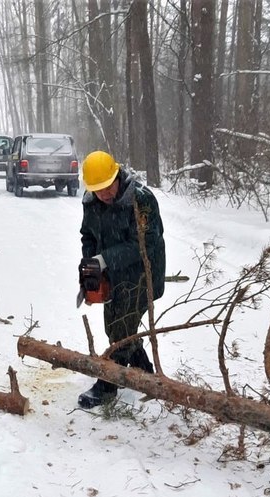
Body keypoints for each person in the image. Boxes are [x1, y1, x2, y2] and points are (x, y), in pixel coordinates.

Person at [77, 150, 166, 409]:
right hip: (112, 276)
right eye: (97, 190)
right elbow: (88, 236)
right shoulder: (92, 201)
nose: (103, 194)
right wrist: (90, 266)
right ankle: (144, 372)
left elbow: (146, 244)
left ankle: (107, 385)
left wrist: (105, 258)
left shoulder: (141, 200)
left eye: (106, 187)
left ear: (117, 175)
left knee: (120, 333)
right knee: (114, 328)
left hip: (141, 276)